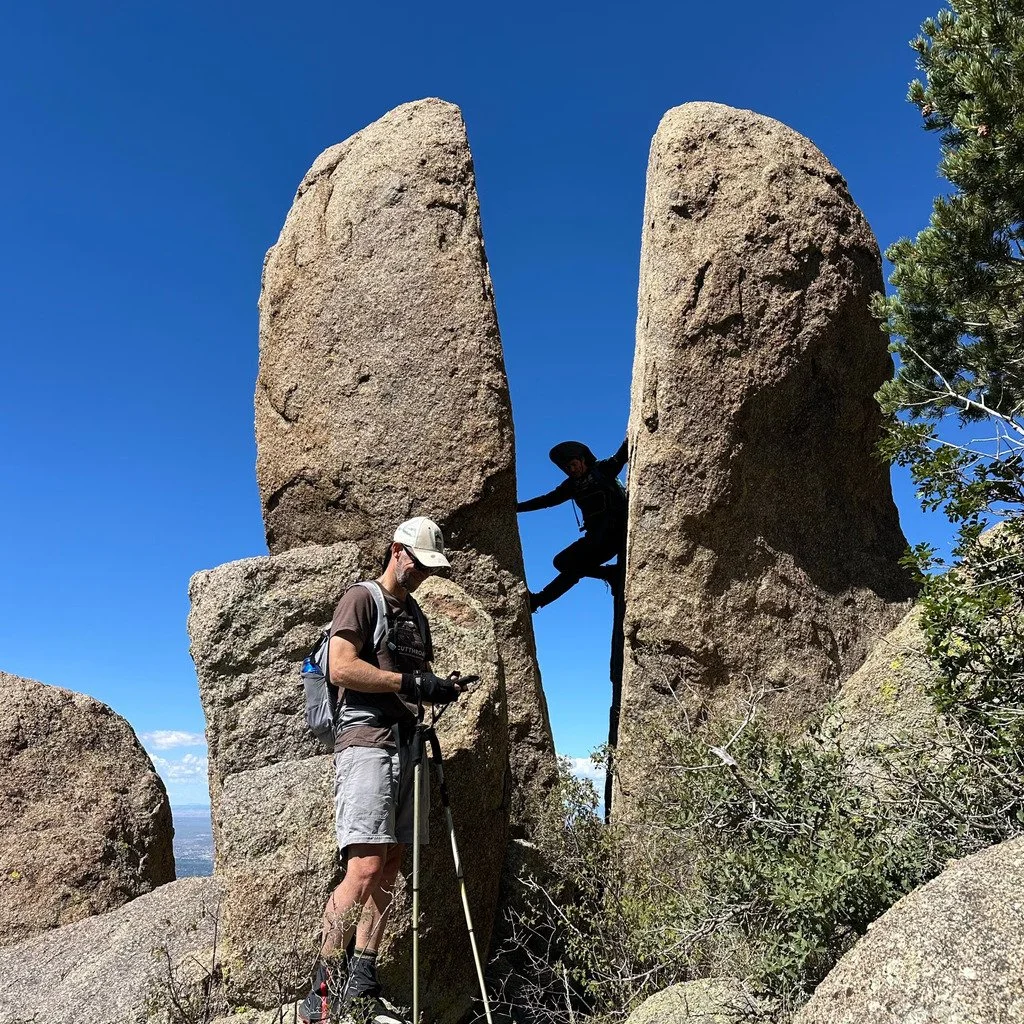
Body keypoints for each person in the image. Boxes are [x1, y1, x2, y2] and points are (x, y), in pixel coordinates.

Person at [300, 516, 473, 1024]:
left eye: (429, 568)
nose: (422, 574)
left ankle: (363, 982)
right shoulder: (362, 599)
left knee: (393, 861)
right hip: (367, 742)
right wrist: (411, 684)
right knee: (365, 866)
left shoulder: (414, 616)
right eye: (418, 563)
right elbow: (340, 666)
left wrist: (437, 686)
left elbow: (410, 681)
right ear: (397, 551)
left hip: (405, 741)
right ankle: (322, 991)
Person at [516, 438, 629, 611]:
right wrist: (516, 508)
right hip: (594, 539)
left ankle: (539, 600)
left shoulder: (602, 470)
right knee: (562, 562)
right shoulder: (571, 486)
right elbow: (547, 500)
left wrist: (628, 440)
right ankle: (609, 574)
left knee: (571, 566)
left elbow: (620, 457)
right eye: (567, 468)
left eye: (574, 464)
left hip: (614, 534)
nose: (571, 470)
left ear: (583, 460)